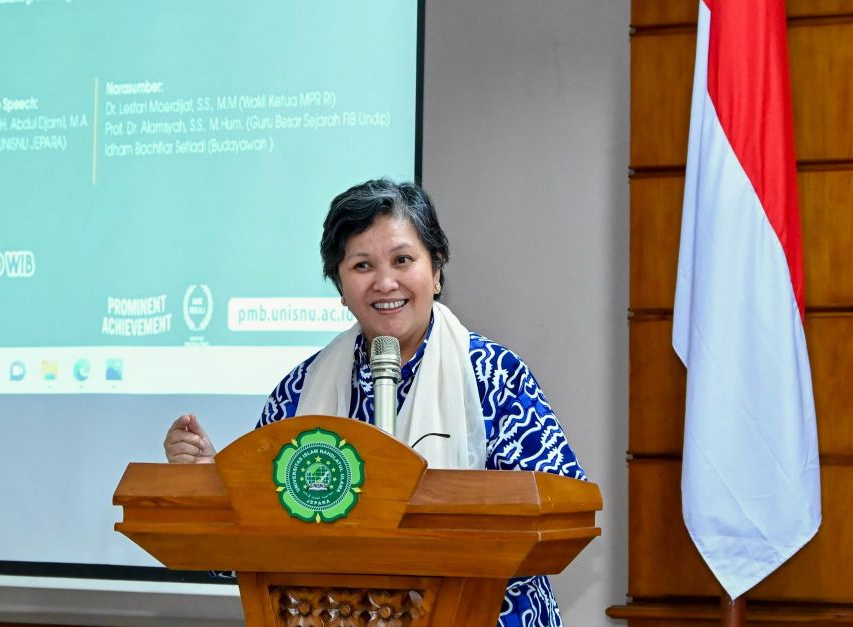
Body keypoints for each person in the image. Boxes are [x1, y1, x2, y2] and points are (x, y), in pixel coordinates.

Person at [164, 179, 586, 627]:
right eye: (362, 265)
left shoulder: (493, 375)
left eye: (402, 260)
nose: (385, 283)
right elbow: (246, 549)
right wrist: (209, 485)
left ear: (436, 271)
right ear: (340, 286)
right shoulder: (300, 390)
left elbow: (559, 519)